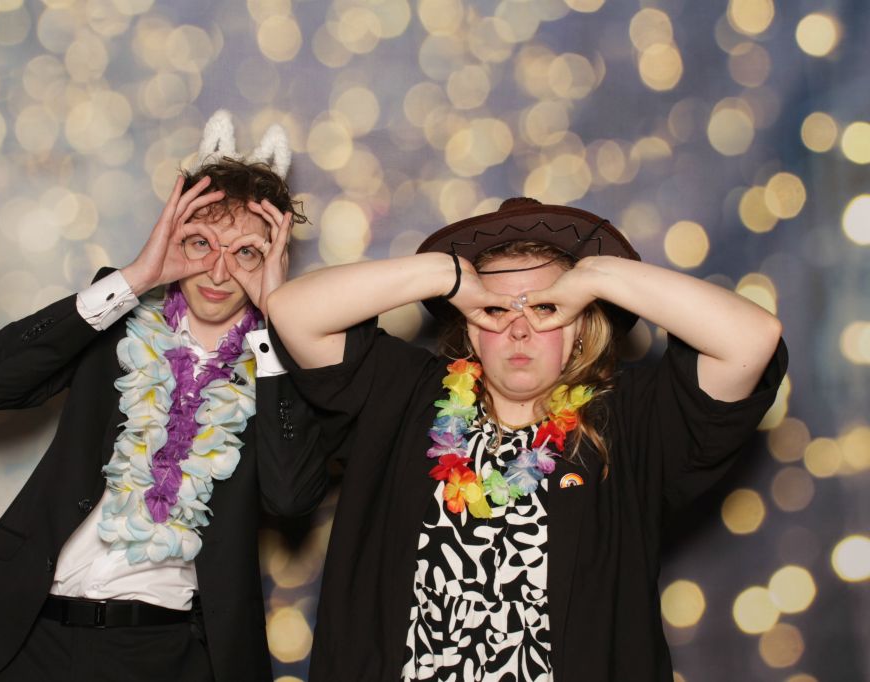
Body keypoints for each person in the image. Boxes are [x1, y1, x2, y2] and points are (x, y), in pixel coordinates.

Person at [265, 197, 787, 681]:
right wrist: (444, 274)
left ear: (579, 328)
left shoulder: (629, 421)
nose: (519, 330)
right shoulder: (402, 395)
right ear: (471, 328)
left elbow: (751, 339)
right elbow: (292, 312)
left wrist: (598, 276)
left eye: (545, 309)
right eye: (497, 310)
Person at [0, 111, 323, 682]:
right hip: (27, 634)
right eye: (201, 242)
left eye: (245, 253)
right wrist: (136, 277)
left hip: (162, 651)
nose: (218, 271)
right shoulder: (115, 319)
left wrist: (277, 320)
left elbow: (290, 498)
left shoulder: (284, 364)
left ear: (273, 260)